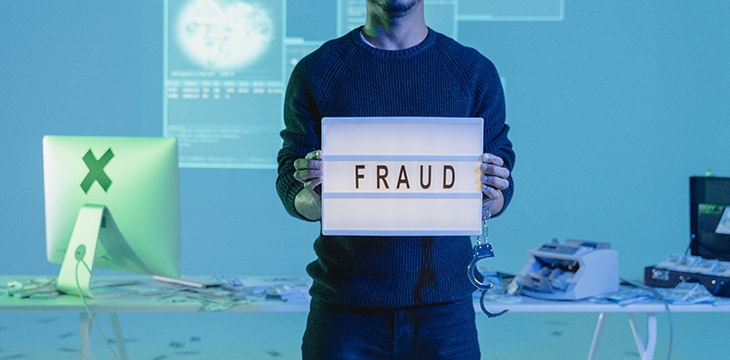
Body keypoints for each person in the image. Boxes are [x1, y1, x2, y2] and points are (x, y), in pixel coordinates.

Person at [276, 0, 515, 358]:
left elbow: (498, 191)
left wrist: (490, 193)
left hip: (445, 310)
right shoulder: (318, 71)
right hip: (345, 309)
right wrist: (315, 197)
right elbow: (290, 178)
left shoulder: (473, 71)